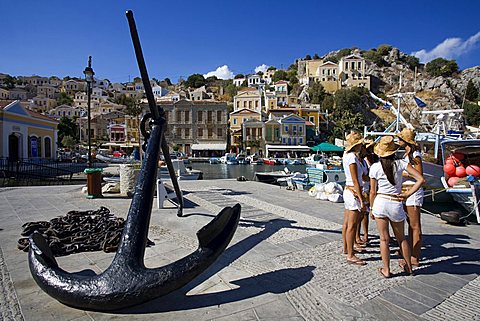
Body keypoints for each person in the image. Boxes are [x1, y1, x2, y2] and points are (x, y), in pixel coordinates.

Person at [369, 136, 425, 278]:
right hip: (395, 202)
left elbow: (372, 191)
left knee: (384, 239)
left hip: (380, 202)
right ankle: (409, 267)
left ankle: (386, 270)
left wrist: (371, 208)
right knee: (401, 238)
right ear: (394, 152)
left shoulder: (375, 167)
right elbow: (420, 179)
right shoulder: (400, 164)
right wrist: (407, 195)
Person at [397, 128, 424, 267]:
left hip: (413, 192)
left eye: (400, 139)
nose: (398, 140)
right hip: (407, 190)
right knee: (410, 224)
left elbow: (419, 174)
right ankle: (411, 251)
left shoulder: (415, 155)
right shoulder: (408, 154)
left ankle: (415, 256)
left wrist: (402, 172)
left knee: (415, 225)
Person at [342, 132, 366, 265]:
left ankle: (347, 248)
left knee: (347, 223)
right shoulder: (352, 158)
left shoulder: (347, 155)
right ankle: (351, 254)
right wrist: (362, 199)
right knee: (351, 225)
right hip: (353, 191)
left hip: (349, 189)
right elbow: (356, 179)